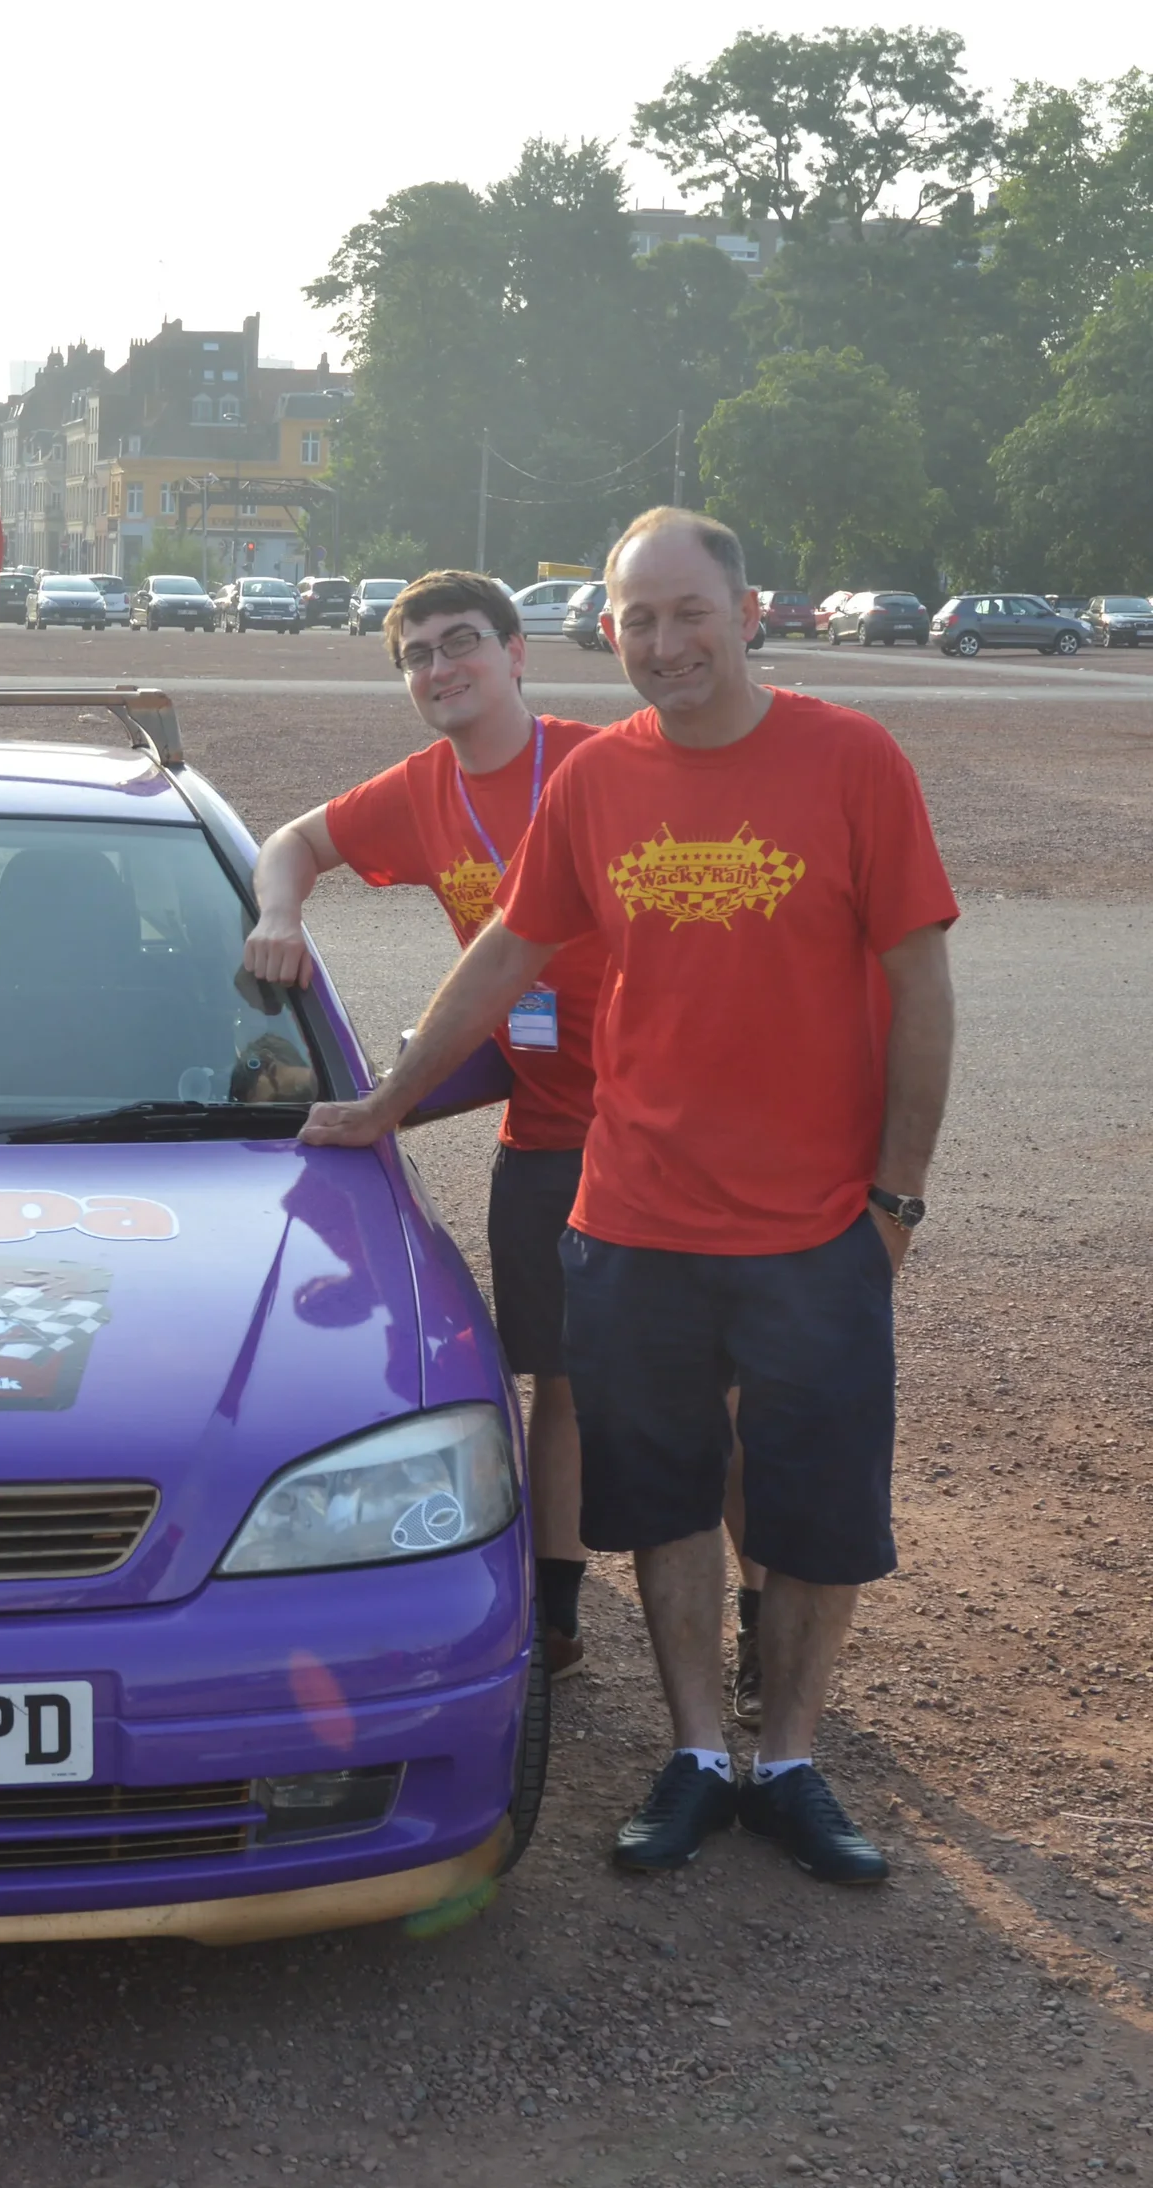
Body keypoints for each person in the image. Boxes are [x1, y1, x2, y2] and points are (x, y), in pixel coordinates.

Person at [297, 507, 956, 1887]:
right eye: (638, 620)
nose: (664, 642)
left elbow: (920, 987)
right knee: (657, 1499)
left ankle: (792, 1757)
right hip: (632, 1218)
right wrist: (388, 1100)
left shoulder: (854, 761)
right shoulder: (597, 788)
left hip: (815, 1223)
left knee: (811, 1513)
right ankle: (700, 1751)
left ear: (748, 609)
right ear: (609, 633)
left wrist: (895, 1199)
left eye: (687, 611)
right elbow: (499, 959)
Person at [242, 570, 606, 1682]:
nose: (441, 668)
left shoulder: (603, 761)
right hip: (542, 1112)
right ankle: (557, 1615)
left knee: (711, 1391)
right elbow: (290, 842)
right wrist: (276, 911)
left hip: (661, 1110)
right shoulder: (418, 789)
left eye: (463, 644)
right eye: (416, 655)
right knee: (555, 1379)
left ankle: (752, 1612)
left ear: (516, 654)